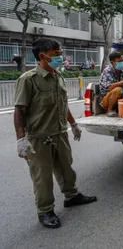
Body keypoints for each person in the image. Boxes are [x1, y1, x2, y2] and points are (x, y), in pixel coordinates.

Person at [13, 38, 97, 229]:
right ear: (43, 56)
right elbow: (19, 111)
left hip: (59, 132)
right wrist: (21, 139)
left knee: (66, 167)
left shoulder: (58, 76)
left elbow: (63, 104)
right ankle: (45, 211)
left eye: (60, 53)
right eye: (56, 54)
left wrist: (73, 124)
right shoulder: (28, 80)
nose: (61, 57)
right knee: (42, 177)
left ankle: (72, 196)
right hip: (39, 137)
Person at [98, 52, 123, 117]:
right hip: (106, 99)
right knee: (118, 89)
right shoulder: (108, 71)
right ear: (112, 62)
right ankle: (109, 110)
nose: (122, 63)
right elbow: (110, 87)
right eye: (120, 61)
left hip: (120, 96)